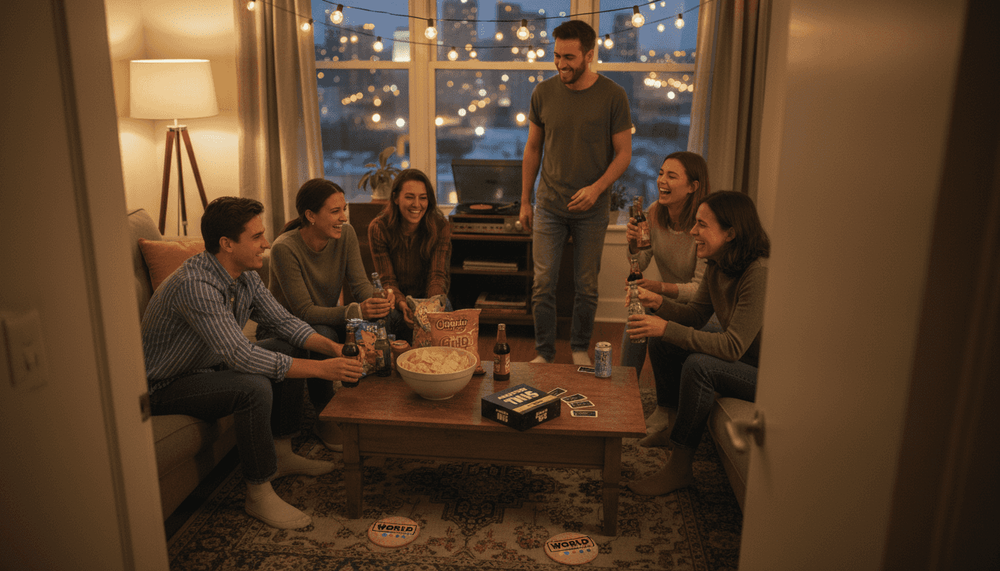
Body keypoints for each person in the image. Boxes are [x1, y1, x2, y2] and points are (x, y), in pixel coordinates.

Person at [142, 197, 364, 529]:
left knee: (291, 343)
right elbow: (240, 355)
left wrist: (335, 348)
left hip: (209, 366)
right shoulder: (196, 286)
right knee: (253, 386)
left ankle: (282, 451)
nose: (266, 243)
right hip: (167, 384)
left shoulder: (244, 275)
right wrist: (323, 369)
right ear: (227, 244)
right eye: (257, 236)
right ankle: (258, 493)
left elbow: (285, 323)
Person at [625, 191, 769, 496]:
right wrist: (657, 303)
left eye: (702, 225)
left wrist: (666, 327)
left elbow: (732, 347)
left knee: (699, 366)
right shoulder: (718, 263)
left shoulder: (757, 274)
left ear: (730, 233)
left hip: (768, 376)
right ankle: (672, 427)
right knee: (663, 341)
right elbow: (695, 315)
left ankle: (680, 468)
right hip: (744, 360)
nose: (693, 231)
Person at [520, 18, 632, 366]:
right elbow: (533, 149)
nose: (560, 64)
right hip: (548, 205)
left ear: (589, 54)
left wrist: (597, 189)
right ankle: (544, 353)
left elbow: (624, 154)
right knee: (542, 284)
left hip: (592, 210)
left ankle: (580, 347)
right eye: (556, 56)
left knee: (587, 285)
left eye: (568, 57)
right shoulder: (543, 93)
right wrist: (525, 201)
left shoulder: (613, 95)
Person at [265, 179, 394, 451]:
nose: (343, 217)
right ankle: (323, 413)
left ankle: (372, 400)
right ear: (310, 216)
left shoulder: (345, 234)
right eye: (335, 211)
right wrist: (357, 310)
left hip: (325, 318)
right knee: (324, 332)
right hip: (284, 327)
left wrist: (378, 298)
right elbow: (303, 312)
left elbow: (359, 285)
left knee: (386, 318)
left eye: (343, 209)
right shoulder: (284, 248)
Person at [621, 152, 709, 431]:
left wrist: (658, 288)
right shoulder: (654, 212)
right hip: (671, 301)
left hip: (703, 309)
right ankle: (624, 393)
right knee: (637, 309)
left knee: (649, 311)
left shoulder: (703, 225)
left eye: (672, 176)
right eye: (661, 173)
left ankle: (663, 408)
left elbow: (699, 290)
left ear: (693, 186)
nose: (661, 181)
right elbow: (641, 261)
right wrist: (633, 245)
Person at [368, 168, 453, 341]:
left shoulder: (440, 226)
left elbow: (438, 275)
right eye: (409, 197)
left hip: (429, 299)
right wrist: (403, 304)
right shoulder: (379, 228)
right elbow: (387, 281)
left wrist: (429, 307)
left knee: (446, 311)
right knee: (381, 317)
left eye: (423, 198)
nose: (417, 204)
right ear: (395, 198)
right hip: (397, 302)